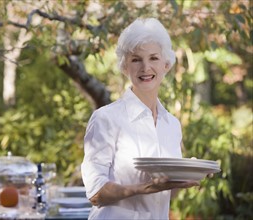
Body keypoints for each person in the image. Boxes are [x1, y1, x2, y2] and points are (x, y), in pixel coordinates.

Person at [81, 18, 199, 219]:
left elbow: (166, 193)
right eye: (136, 59)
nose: (145, 67)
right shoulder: (105, 119)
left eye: (153, 58)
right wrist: (144, 187)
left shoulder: (172, 125)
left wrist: (188, 176)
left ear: (166, 65)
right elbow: (95, 193)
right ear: (125, 67)